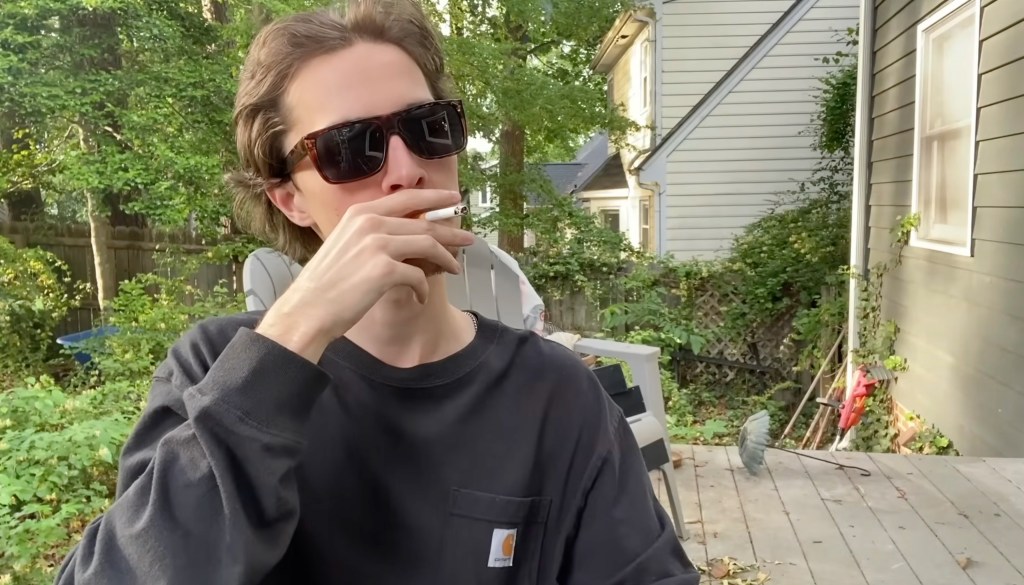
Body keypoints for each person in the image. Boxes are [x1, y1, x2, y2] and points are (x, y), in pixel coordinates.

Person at [53, 1, 701, 583]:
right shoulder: (212, 371)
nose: (404, 167)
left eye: (428, 127)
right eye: (350, 147)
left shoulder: (554, 397)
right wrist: (294, 332)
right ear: (289, 199)